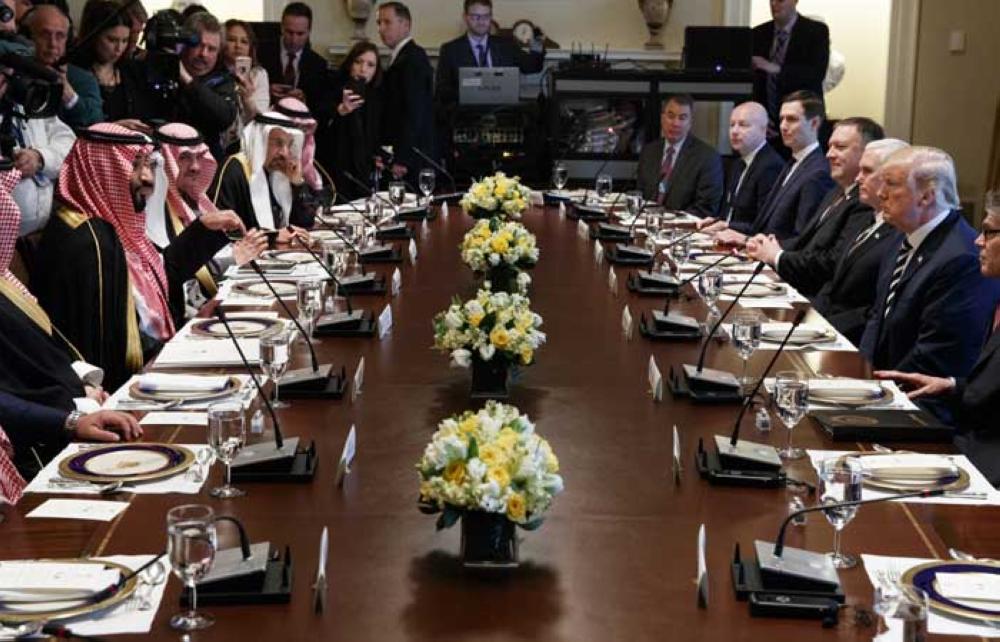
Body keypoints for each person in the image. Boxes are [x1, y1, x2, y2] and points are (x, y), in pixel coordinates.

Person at [32, 122, 243, 389]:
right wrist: (183, 338)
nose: (148, 178)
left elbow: (155, 282)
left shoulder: (107, 224)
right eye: (135, 166)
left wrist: (202, 231)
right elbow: (110, 347)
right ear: (103, 170)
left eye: (148, 165)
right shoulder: (88, 242)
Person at [875, 193, 1000, 485]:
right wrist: (951, 386)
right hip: (967, 448)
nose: (978, 241)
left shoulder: (964, 268)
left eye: (989, 232)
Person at [858, 146, 998, 381]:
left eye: (891, 184)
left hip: (921, 400)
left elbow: (937, 353)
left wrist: (878, 387)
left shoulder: (962, 257)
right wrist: (860, 371)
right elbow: (878, 317)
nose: (881, 193)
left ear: (926, 196)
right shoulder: (901, 236)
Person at [745, 117, 883, 296]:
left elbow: (832, 262)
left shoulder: (865, 203)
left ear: (867, 154)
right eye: (830, 146)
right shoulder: (836, 191)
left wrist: (777, 256)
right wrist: (767, 245)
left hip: (816, 296)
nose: (829, 154)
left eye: (840, 147)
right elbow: (805, 242)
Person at [144, 122, 267, 316]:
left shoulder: (197, 201)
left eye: (199, 157)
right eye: (184, 158)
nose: (195, 167)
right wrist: (234, 260)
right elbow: (173, 276)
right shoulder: (153, 212)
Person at [811, 138, 908, 344]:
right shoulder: (867, 217)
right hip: (825, 326)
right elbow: (834, 280)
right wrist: (810, 315)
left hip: (849, 337)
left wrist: (824, 326)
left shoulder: (899, 232)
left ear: (889, 179)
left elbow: (874, 307)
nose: (857, 179)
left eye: (867, 171)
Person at [705, 90, 833, 245]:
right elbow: (763, 223)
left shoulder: (818, 172)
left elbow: (801, 240)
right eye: (781, 119)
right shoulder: (792, 163)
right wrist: (729, 227)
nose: (783, 126)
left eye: (792, 119)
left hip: (775, 263)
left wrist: (746, 241)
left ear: (814, 123)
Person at [434, 0, 544, 164]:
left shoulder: (505, 45)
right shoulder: (450, 50)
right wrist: (468, 92)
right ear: (466, 17)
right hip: (467, 120)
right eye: (476, 17)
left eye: (486, 16)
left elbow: (532, 66)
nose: (481, 22)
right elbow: (442, 90)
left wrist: (536, 44)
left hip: (504, 119)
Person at [129, 11, 238, 160]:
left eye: (211, 49)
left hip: (203, 164)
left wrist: (185, 78)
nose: (203, 54)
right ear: (183, 43)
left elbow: (223, 117)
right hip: (154, 157)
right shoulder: (157, 70)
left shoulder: (223, 81)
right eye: (198, 45)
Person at [0, 56, 76, 237]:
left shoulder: (26, 103)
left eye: (10, 73)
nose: (7, 79)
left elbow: (69, 143)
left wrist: (40, 157)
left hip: (38, 235)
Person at [212, 112, 315, 236]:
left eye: (289, 145)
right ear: (260, 140)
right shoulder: (234, 168)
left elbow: (305, 224)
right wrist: (272, 237)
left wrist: (297, 184)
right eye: (278, 143)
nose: (285, 153)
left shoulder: (280, 172)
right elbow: (220, 231)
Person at [751, 0, 829, 140]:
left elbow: (815, 74)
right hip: (766, 125)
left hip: (803, 122)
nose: (774, 4)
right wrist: (758, 117)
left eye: (780, 0)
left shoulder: (815, 31)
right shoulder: (757, 33)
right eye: (771, 0)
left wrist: (776, 68)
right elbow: (752, 83)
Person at [636, 94, 723, 216]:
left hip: (682, 229)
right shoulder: (649, 152)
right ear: (662, 118)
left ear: (690, 122)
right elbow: (640, 194)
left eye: (682, 118)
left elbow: (706, 207)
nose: (675, 123)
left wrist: (668, 220)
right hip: (645, 222)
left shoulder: (707, 157)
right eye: (671, 116)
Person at [376, 1, 433, 180]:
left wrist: (402, 158)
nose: (381, 28)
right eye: (379, 23)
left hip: (411, 158)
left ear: (405, 25)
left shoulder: (413, 58)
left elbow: (414, 112)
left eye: (387, 22)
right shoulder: (402, 57)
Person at [707, 101, 784, 234]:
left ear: (763, 129)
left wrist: (727, 226)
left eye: (743, 125)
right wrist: (715, 221)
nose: (735, 131)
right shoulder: (738, 163)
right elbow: (731, 211)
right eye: (732, 125)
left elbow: (763, 224)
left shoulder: (771, 166)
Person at [22, 5, 103, 128]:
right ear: (28, 36)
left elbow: (96, 122)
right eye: (45, 34)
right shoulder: (12, 72)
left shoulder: (83, 79)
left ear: (68, 40)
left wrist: (68, 94)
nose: (53, 43)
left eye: (60, 36)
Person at [321, 39, 382, 201]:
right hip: (336, 169)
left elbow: (375, 136)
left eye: (370, 65)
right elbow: (320, 130)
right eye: (358, 62)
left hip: (363, 173)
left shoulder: (376, 97)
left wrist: (378, 156)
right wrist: (341, 110)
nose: (363, 69)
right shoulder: (333, 87)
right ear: (350, 64)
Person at [259, 2, 332, 122]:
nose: (294, 39)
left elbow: (321, 107)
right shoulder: (261, 53)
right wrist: (266, 89)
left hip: (299, 125)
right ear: (282, 28)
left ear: (309, 32)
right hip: (267, 121)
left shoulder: (318, 64)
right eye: (289, 32)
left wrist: (304, 99)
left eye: (300, 34)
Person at [70, 0, 138, 124]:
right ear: (93, 36)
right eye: (112, 40)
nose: (119, 49)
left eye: (125, 41)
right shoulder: (75, 72)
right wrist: (112, 127)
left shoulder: (130, 71)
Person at [221, 19, 270, 153]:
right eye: (231, 39)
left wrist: (248, 99)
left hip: (247, 145)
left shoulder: (258, 74)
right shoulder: (215, 74)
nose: (238, 45)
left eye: (244, 41)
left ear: (250, 47)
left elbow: (261, 122)